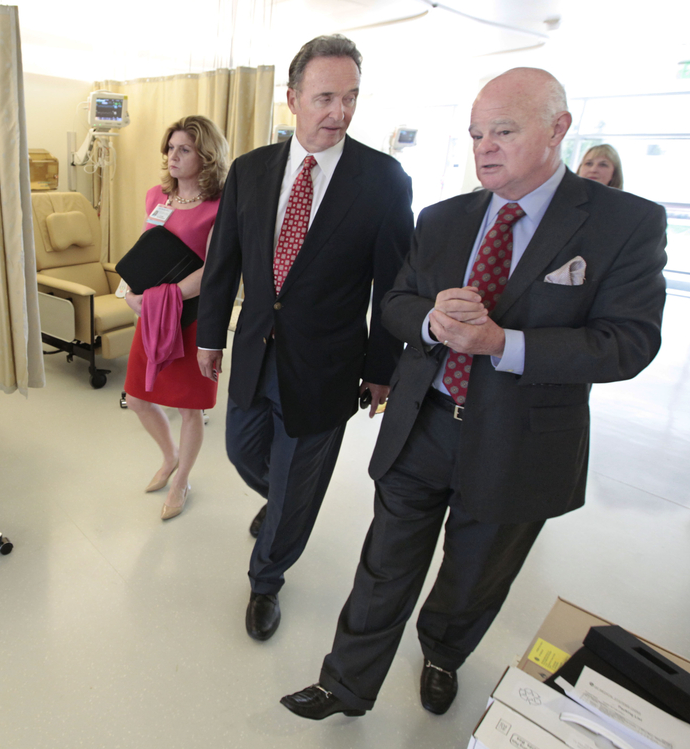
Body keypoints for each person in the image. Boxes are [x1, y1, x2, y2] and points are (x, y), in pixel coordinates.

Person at [281, 67, 667, 721]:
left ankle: (442, 653)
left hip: (520, 437)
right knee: (384, 562)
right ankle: (345, 683)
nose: (484, 148)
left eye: (503, 132)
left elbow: (628, 342)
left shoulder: (621, 223)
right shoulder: (443, 219)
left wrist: (502, 343)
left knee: (475, 572)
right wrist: (432, 322)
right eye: (475, 134)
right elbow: (397, 301)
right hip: (423, 420)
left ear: (557, 129)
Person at [195, 35, 414, 642]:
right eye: (325, 98)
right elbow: (223, 262)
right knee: (243, 452)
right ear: (292, 99)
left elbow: (392, 286)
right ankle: (289, 504)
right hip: (255, 350)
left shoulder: (383, 180)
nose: (339, 112)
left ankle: (266, 580)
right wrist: (210, 337)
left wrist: (383, 369)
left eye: (351, 98)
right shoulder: (251, 171)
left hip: (328, 365)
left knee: (295, 480)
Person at [123, 115, 229, 521]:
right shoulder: (156, 197)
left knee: (190, 409)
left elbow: (213, 270)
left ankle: (182, 480)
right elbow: (145, 251)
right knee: (137, 398)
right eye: (170, 148)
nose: (173, 156)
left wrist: (159, 298)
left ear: (206, 155)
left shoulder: (218, 207)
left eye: (184, 149)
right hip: (153, 317)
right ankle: (169, 456)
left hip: (195, 319)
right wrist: (130, 294)